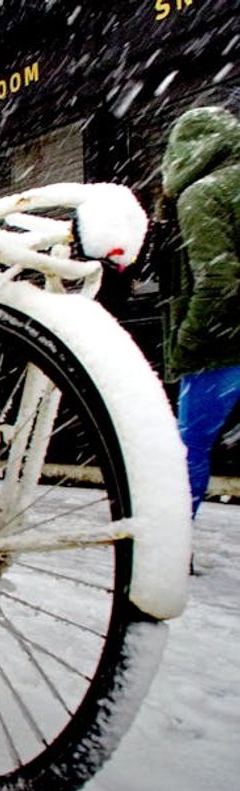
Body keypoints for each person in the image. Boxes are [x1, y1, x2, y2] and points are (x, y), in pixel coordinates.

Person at [158, 105, 240, 524]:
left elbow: (218, 277)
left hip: (221, 349)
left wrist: (189, 338)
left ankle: (173, 545)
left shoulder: (202, 193)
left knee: (188, 448)